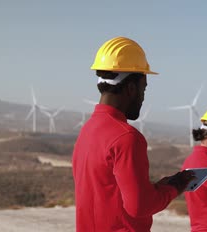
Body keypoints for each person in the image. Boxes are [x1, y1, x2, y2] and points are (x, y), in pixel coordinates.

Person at [72, 36, 194, 232]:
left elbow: (109, 192)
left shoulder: (87, 131)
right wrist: (175, 187)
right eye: (143, 89)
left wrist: (155, 189)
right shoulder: (126, 137)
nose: (143, 97)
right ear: (131, 88)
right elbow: (139, 207)